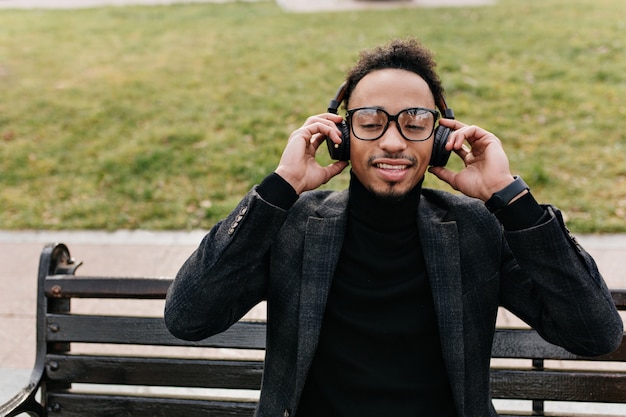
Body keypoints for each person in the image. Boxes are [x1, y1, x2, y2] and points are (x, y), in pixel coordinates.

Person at [164, 38, 622, 417]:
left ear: (441, 137)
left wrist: (510, 198)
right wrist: (281, 189)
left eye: (415, 122)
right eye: (371, 121)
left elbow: (595, 332)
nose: (392, 141)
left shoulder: (477, 229)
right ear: (339, 132)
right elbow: (188, 317)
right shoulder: (292, 225)